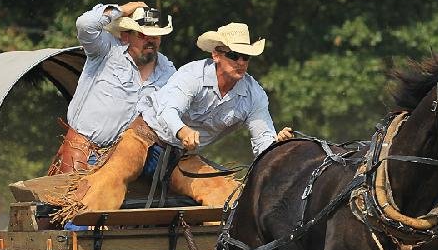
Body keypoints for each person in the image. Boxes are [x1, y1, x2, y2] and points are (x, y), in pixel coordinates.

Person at [63, 22, 293, 216]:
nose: (241, 62)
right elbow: (168, 110)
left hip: (181, 156)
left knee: (227, 192)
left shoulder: (254, 95)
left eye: (246, 57)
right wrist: (182, 131)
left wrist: (276, 144)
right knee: (109, 178)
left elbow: (262, 142)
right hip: (144, 139)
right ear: (216, 55)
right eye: (234, 55)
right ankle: (77, 230)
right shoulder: (192, 75)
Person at [48, 1, 177, 175]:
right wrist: (122, 10)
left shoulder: (168, 71)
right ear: (125, 36)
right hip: (86, 155)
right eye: (142, 35)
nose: (150, 41)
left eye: (155, 36)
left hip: (133, 160)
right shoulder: (106, 50)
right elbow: (85, 24)